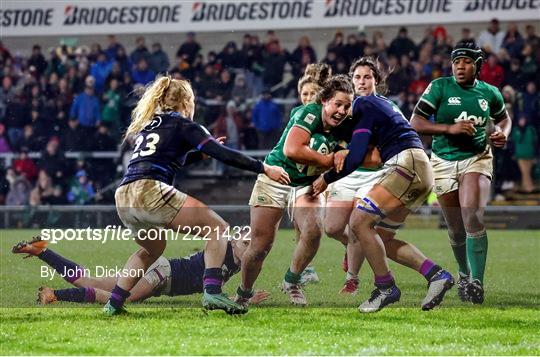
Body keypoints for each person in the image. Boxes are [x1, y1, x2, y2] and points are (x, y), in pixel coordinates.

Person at [105, 75, 289, 315]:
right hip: (149, 190)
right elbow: (223, 154)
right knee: (218, 228)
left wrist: (198, 155)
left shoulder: (150, 126)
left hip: (124, 195)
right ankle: (212, 292)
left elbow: (165, 160)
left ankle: (114, 303)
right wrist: (264, 168)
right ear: (186, 102)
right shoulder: (184, 125)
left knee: (152, 250)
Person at [313, 58, 454, 313]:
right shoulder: (380, 105)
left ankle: (386, 288)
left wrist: (326, 178)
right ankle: (437, 275)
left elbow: (356, 157)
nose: (362, 82)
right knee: (382, 238)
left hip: (406, 164)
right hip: (419, 168)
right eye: (357, 77)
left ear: (376, 81)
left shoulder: (365, 103)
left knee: (358, 222)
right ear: (352, 81)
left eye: (367, 77)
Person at [236, 75, 354, 307]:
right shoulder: (307, 113)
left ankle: (292, 281)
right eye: (337, 104)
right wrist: (329, 159)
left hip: (306, 183)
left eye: (346, 106)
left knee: (313, 231)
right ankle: (243, 293)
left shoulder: (347, 124)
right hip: (276, 176)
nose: (341, 110)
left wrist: (342, 153)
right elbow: (291, 149)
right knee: (260, 247)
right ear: (324, 102)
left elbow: (350, 152)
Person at [410, 41, 512, 304]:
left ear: (477, 66)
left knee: (472, 217)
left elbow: (503, 118)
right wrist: (449, 129)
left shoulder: (490, 93)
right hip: (442, 161)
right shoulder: (440, 87)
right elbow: (416, 123)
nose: (460, 66)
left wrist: (503, 133)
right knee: (455, 229)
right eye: (456, 62)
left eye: (466, 62)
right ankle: (464, 274)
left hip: (476, 158)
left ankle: (477, 282)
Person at [12, 236, 269, 306]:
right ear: (235, 241)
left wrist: (242, 299)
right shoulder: (223, 245)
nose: (249, 249)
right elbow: (215, 236)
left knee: (92, 280)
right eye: (246, 243)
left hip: (162, 271)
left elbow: (213, 288)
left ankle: (42, 251)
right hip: (163, 274)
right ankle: (55, 294)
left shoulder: (238, 263)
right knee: (125, 298)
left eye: (252, 245)